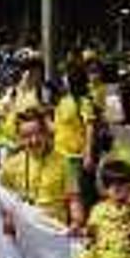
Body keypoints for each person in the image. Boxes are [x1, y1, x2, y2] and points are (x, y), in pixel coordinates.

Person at [0, 108, 75, 226]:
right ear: (19, 137)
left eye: (38, 134)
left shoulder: (63, 162)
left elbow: (74, 200)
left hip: (54, 229)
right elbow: (2, 203)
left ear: (45, 133)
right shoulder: (9, 166)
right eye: (27, 136)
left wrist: (76, 222)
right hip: (23, 230)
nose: (34, 140)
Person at [53, 65, 95, 225]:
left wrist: (88, 153)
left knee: (76, 194)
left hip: (75, 156)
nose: (63, 79)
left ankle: (81, 225)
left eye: (66, 77)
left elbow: (90, 128)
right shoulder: (62, 101)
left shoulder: (84, 102)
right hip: (59, 154)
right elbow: (56, 127)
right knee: (64, 192)